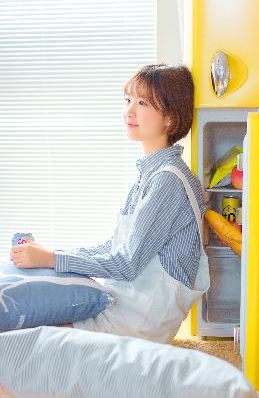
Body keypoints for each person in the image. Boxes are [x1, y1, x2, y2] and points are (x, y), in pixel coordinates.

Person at [10, 63, 210, 343]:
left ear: (170, 118)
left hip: (138, 318)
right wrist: (52, 256)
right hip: (127, 301)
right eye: (128, 100)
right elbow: (113, 247)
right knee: (32, 312)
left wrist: (53, 259)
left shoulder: (167, 181)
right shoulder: (151, 174)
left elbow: (127, 263)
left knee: (28, 336)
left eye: (142, 103)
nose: (129, 111)